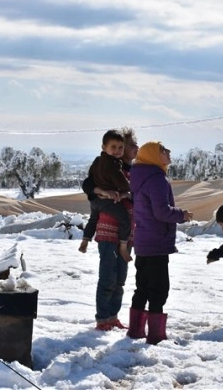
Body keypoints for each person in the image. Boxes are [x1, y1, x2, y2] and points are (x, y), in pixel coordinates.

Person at [126, 141, 193, 344]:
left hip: (144, 242)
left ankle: (136, 330)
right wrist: (183, 214)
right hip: (156, 241)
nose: (169, 152)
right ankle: (155, 334)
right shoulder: (157, 179)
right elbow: (161, 212)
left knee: (143, 287)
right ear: (154, 156)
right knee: (159, 289)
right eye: (164, 150)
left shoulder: (141, 177)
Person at [82, 127, 138, 331]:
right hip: (108, 228)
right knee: (107, 277)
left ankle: (113, 316)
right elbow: (87, 185)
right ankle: (102, 318)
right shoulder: (107, 167)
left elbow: (137, 195)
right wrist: (102, 191)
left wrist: (128, 195)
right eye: (131, 145)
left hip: (127, 232)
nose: (134, 149)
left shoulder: (134, 171)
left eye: (125, 146)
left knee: (120, 278)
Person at [78, 129, 132, 260]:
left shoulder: (97, 160)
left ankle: (85, 240)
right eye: (113, 147)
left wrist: (98, 190)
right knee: (125, 219)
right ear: (104, 147)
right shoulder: (114, 164)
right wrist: (127, 189)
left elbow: (90, 178)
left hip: (95, 201)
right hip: (107, 202)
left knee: (92, 219)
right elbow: (122, 183)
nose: (117, 150)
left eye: (121, 147)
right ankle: (124, 246)